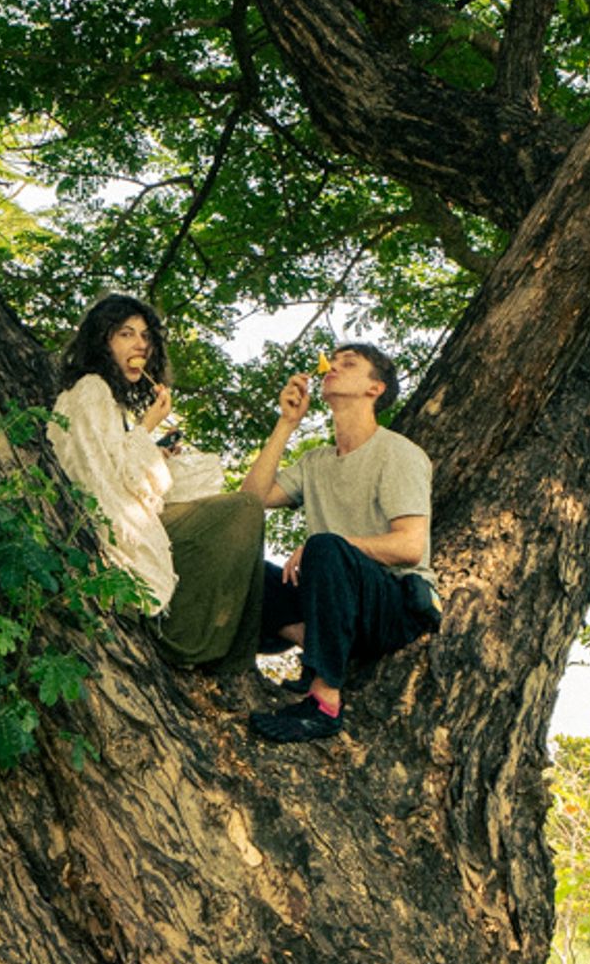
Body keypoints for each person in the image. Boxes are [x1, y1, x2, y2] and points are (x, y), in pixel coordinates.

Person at [48, 294, 266, 671]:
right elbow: (105, 480)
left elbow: (119, 463)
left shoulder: (108, 400)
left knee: (231, 519)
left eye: (145, 337)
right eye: (125, 334)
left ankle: (218, 647)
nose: (140, 346)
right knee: (244, 509)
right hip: (109, 530)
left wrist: (156, 451)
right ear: (102, 341)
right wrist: (148, 426)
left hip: (119, 516)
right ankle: (192, 642)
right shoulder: (91, 389)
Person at [239, 341, 438, 742]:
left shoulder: (397, 453)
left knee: (326, 547)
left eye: (349, 364)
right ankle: (326, 649)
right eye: (333, 360)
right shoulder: (316, 462)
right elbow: (250, 500)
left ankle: (324, 702)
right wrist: (286, 424)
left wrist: (329, 545)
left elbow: (409, 547)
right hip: (332, 600)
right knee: (245, 566)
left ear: (374, 389)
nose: (333, 366)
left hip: (393, 604)